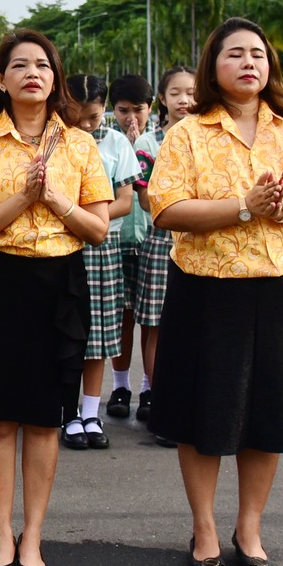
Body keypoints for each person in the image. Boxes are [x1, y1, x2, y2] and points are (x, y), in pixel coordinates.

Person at [146, 18, 283, 566]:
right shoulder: (187, 134)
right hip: (205, 293)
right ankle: (205, 527)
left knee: (269, 418)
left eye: (258, 54)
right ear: (213, 66)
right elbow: (165, 209)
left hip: (276, 292)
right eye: (234, 54)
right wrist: (244, 206)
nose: (248, 63)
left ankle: (250, 527)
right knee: (201, 417)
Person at [0, 30, 112, 566]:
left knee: (44, 419)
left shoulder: (80, 144)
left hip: (58, 286)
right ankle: (2, 534)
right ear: (1, 79)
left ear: (55, 77)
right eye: (19, 65)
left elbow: (97, 229)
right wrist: (22, 197)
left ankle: (34, 535)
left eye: (42, 64)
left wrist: (54, 198)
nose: (32, 73)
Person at [64, 75, 137, 451]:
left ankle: (91, 413)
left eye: (93, 117)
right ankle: (66, 411)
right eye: (78, 117)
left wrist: (85, 216)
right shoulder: (55, 137)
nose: (86, 125)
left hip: (101, 246)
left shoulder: (114, 141)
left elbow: (125, 200)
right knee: (64, 334)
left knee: (99, 334)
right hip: (61, 246)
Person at [129, 66, 195, 433]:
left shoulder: (210, 139)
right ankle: (158, 397)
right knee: (156, 324)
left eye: (192, 93)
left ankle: (191, 399)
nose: (185, 100)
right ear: (162, 99)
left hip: (204, 240)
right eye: (176, 93)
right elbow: (145, 201)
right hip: (161, 240)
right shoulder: (149, 144)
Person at [105, 74, 153, 415]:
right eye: (123, 110)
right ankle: (120, 386)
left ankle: (149, 387)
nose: (131, 118)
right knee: (121, 316)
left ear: (151, 107)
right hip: (116, 242)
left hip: (151, 241)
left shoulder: (158, 143)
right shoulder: (108, 144)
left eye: (138, 109)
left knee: (152, 319)